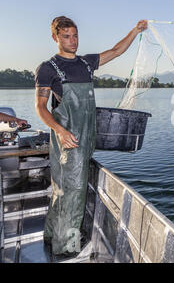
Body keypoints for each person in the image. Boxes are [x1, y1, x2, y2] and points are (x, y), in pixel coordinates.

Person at [35, 16, 147, 257]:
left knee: (62, 189)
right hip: (68, 140)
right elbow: (41, 108)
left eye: (75, 35)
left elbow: (116, 51)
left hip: (86, 138)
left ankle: (51, 235)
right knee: (73, 192)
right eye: (66, 36)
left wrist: (135, 30)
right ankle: (66, 248)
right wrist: (60, 131)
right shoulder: (48, 68)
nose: (72, 41)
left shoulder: (86, 63)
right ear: (55, 38)